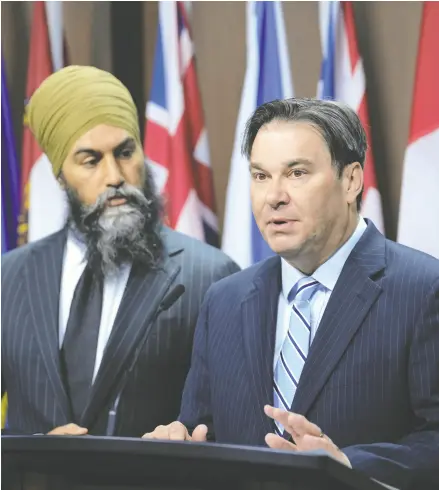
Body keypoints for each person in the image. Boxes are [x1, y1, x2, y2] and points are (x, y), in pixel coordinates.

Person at [143, 98, 439, 489]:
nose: (274, 196)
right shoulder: (225, 301)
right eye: (260, 176)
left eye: (296, 173)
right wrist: (180, 439)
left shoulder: (423, 289)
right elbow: (203, 428)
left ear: (350, 180)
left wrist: (347, 465)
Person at [1, 65, 239, 437]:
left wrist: (190, 437)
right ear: (60, 175)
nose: (114, 176)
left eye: (125, 152)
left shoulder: (209, 275)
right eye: (91, 160)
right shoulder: (9, 278)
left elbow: (234, 424)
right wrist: (34, 451)